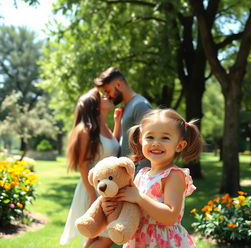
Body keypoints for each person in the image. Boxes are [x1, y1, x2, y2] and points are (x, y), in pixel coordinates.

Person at [104, 109, 203, 247]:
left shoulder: (174, 176)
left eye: (165, 138)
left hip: (163, 242)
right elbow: (132, 209)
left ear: (179, 145)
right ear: (140, 140)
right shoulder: (142, 174)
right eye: (150, 137)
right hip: (139, 240)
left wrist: (138, 197)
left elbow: (170, 217)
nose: (156, 143)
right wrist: (113, 209)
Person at [59, 88, 121, 248]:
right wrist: (92, 196)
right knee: (107, 236)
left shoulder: (104, 127)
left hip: (105, 188)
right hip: (92, 189)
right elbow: (83, 164)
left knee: (96, 235)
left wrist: (117, 123)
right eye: (101, 96)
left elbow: (112, 149)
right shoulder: (86, 131)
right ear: (95, 106)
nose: (106, 96)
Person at [94, 67, 152, 175]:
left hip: (136, 178)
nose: (107, 96)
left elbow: (149, 144)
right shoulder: (126, 107)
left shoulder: (140, 105)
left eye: (108, 91)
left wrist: (139, 179)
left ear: (118, 84)